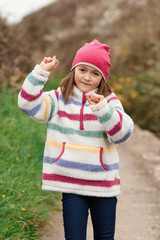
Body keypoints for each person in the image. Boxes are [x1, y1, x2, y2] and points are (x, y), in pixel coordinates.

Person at [18, 40, 134, 240]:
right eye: (82, 70)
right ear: (74, 69)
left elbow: (122, 133)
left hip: (104, 187)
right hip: (71, 185)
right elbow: (27, 105)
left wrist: (102, 109)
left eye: (95, 73)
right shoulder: (57, 99)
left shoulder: (109, 102)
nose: (87, 77)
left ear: (102, 78)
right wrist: (40, 73)